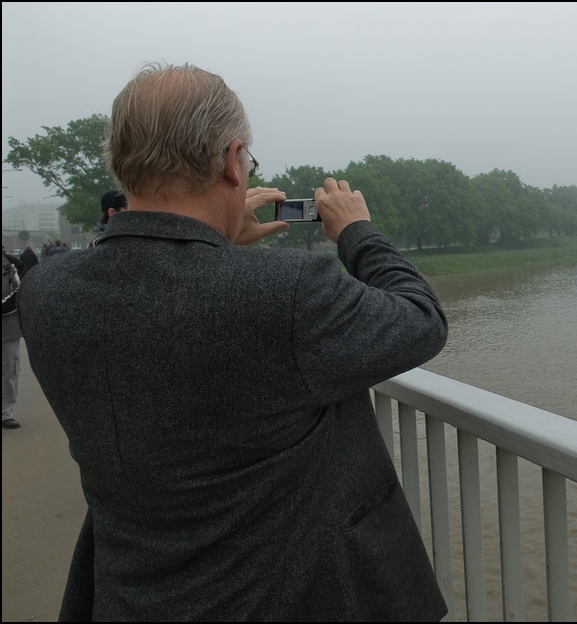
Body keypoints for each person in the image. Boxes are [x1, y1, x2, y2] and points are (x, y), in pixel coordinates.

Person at [18, 62, 449, 621]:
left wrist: (214, 237)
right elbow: (421, 319)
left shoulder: (46, 290)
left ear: (121, 162)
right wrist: (356, 232)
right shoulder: (288, 292)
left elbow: (154, 291)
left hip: (125, 596)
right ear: (230, 160)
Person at [2, 247, 24, 429]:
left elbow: (18, 293)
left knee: (9, 371)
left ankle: (5, 413)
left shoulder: (11, 265)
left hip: (7, 329)